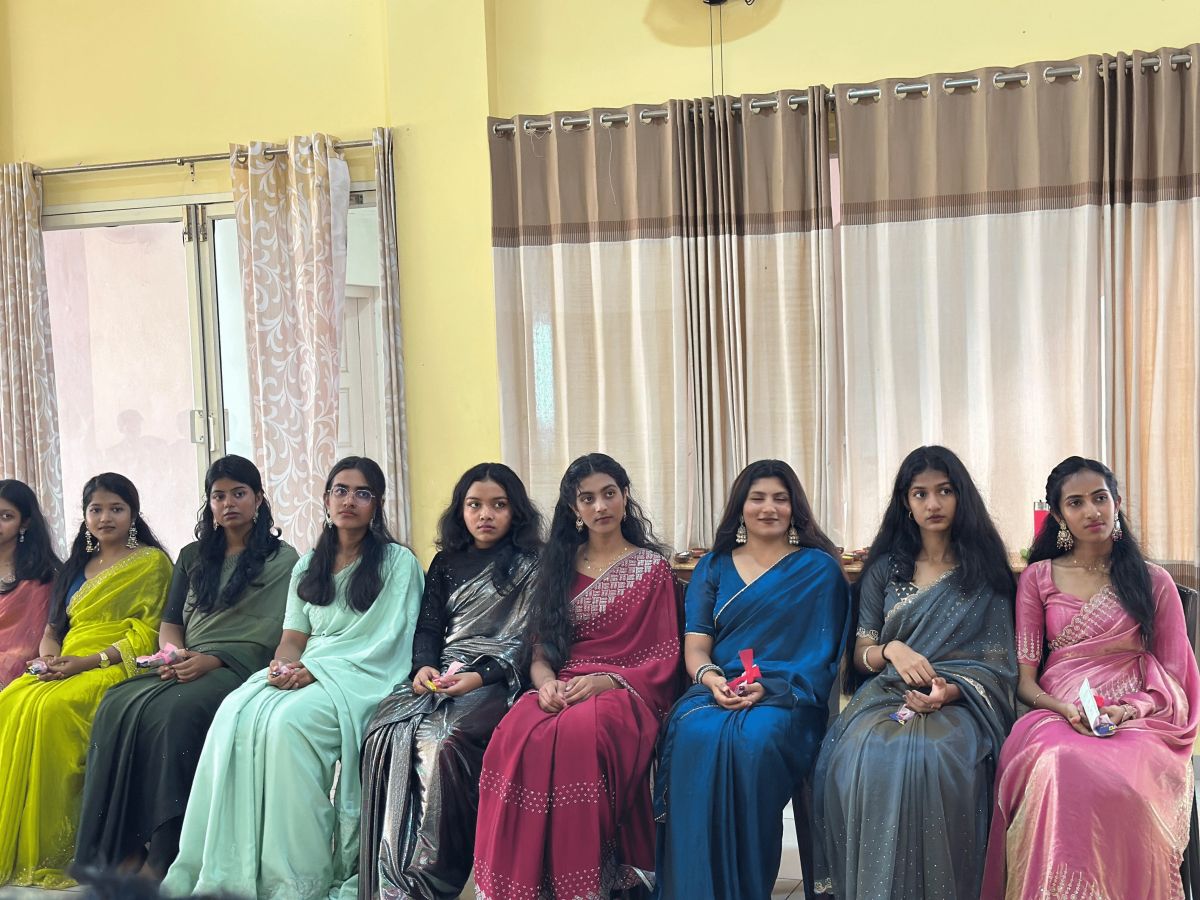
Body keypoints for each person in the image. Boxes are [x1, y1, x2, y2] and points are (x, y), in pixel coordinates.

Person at [160, 456, 423, 900]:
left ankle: (297, 878)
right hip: (310, 670)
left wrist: (315, 671)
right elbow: (292, 639)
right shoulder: (309, 565)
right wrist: (282, 667)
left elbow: (388, 641)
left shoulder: (398, 563)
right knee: (235, 712)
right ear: (326, 500)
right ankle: (235, 868)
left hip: (361, 677)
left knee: (286, 725)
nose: (349, 501)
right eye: (340, 490)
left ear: (377, 504)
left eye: (362, 493)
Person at [981, 457, 1200, 899]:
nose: (1091, 511)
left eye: (1100, 498)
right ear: (1058, 515)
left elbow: (1176, 676)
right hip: (1056, 714)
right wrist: (1065, 709)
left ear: (1116, 502)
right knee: (1059, 762)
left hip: (1139, 718)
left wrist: (1127, 710)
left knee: (1128, 783)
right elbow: (1026, 682)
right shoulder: (1038, 578)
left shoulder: (1153, 581)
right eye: (1076, 503)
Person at [75, 455, 298, 878]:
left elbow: (277, 630)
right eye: (218, 496)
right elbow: (171, 624)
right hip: (185, 661)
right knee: (116, 701)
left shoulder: (282, 559)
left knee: (176, 713)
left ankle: (166, 853)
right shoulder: (193, 554)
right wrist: (175, 654)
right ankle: (121, 849)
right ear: (209, 503)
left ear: (258, 499)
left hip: (238, 666)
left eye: (238, 494)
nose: (228, 503)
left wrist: (211, 660)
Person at [473, 453, 681, 899]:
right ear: (573, 508)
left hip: (626, 691)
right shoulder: (558, 567)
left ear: (625, 496)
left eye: (609, 494)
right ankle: (526, 883)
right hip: (564, 683)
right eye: (587, 498)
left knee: (580, 733)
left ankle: (583, 882)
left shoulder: (651, 569)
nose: (600, 506)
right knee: (515, 731)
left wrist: (608, 681)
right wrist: (545, 681)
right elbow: (540, 650)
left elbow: (663, 656)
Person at [813, 446, 1018, 899]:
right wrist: (892, 649)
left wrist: (951, 691)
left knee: (938, 756)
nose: (933, 503)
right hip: (888, 694)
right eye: (920, 493)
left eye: (944, 491)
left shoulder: (984, 573)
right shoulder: (886, 570)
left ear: (961, 496)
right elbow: (861, 654)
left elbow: (999, 664)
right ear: (905, 502)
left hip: (962, 702)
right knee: (863, 752)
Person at [652, 459, 849, 900]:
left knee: (754, 739)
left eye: (780, 498)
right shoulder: (713, 566)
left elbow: (823, 656)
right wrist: (711, 679)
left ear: (794, 508)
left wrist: (773, 688)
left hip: (790, 699)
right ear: (740, 507)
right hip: (717, 689)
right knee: (693, 732)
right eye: (757, 498)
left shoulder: (818, 569)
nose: (768, 508)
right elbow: (696, 646)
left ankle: (746, 886)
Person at [359, 462, 542, 900]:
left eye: (498, 505)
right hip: (444, 672)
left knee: (443, 738)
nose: (485, 515)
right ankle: (392, 874)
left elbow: (526, 641)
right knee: (384, 730)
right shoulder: (445, 561)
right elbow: (429, 625)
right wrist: (423, 667)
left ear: (515, 511)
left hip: (499, 677)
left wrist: (479, 677)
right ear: (460, 510)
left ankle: (432, 878)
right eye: (474, 505)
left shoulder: (533, 564)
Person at [0, 473, 172, 887]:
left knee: (55, 709)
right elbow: (53, 629)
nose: (105, 517)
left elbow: (149, 632)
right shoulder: (76, 566)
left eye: (116, 508)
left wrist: (86, 663)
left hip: (114, 662)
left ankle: (64, 847)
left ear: (133, 514)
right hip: (68, 660)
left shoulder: (151, 563)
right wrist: (49, 660)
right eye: (96, 509)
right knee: (12, 700)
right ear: (85, 515)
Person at [0, 479, 60, 689]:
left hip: (15, 671)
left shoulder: (42, 578)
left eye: (6, 516)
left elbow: (29, 645)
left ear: (24, 523)